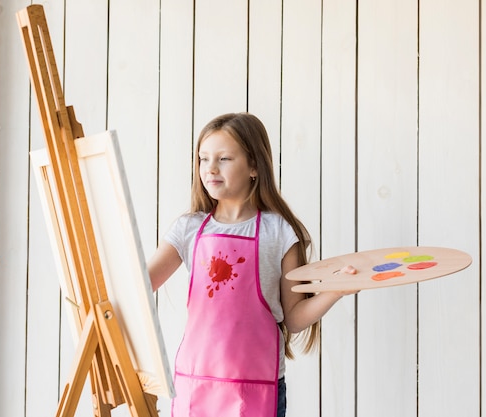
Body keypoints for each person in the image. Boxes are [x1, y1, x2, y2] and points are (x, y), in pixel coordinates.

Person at [147, 112, 356, 417]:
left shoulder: (279, 231)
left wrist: (336, 291)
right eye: (203, 159)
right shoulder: (188, 229)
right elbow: (139, 288)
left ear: (255, 166)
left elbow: (294, 317)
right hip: (196, 383)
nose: (210, 169)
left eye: (224, 159)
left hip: (257, 386)